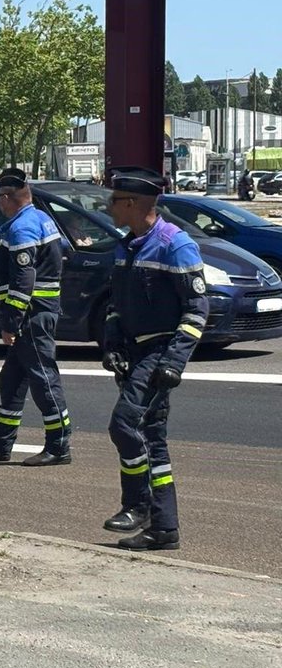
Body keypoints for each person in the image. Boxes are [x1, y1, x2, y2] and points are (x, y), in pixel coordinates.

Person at [100, 167, 209, 551]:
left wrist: (174, 362)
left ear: (131, 204)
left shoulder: (174, 245)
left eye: (113, 201)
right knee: (152, 441)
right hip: (132, 353)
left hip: (159, 352)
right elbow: (116, 303)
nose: (108, 206)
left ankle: (137, 506)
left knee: (123, 425)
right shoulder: (126, 244)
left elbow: (197, 311)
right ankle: (164, 530)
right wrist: (112, 342)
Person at [0, 167, 72, 466]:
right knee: (12, 381)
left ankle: (58, 446)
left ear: (8, 198)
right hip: (38, 312)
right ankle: (1, 442)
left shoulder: (21, 228)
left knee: (43, 379)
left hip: (31, 315)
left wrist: (11, 322)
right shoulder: (42, 218)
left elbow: (23, 281)